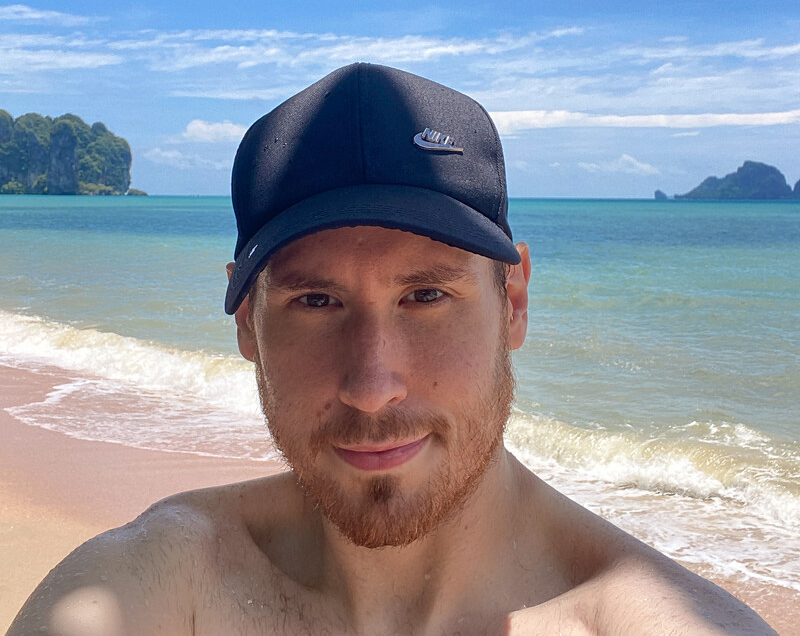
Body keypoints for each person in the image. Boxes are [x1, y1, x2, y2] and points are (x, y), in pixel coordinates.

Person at [10, 63, 776, 635]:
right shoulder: (160, 586)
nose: (373, 384)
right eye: (316, 300)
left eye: (426, 296)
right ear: (247, 323)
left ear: (514, 300)